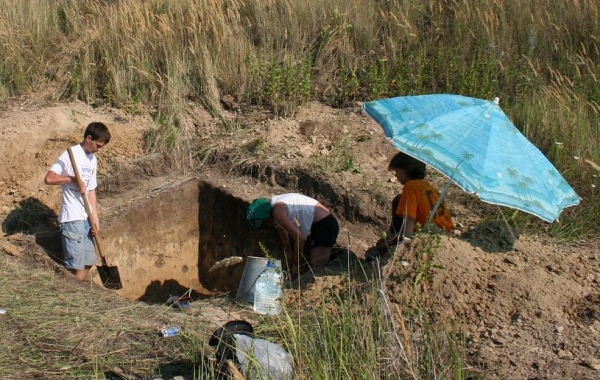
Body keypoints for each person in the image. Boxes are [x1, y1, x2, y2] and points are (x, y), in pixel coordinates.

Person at [44, 122, 111, 281]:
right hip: (72, 218)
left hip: (86, 217)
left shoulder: (92, 160)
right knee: (75, 264)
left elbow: (91, 191)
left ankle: (76, 291)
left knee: (88, 261)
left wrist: (95, 217)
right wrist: (73, 179)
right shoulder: (70, 154)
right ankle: (69, 293)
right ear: (88, 138)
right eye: (98, 145)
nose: (99, 149)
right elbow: (49, 178)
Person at [375, 152, 454, 253]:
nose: (395, 174)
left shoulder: (410, 186)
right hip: (446, 236)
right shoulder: (428, 187)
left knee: (372, 254)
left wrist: (395, 244)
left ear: (408, 169)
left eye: (397, 170)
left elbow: (409, 221)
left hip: (431, 235)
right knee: (399, 200)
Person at [247, 193, 339, 277]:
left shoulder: (277, 212)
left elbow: (299, 238)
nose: (268, 227)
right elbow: (283, 233)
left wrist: (296, 263)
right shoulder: (275, 205)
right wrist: (289, 252)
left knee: (317, 272)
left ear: (267, 219)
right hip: (317, 225)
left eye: (265, 225)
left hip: (325, 225)